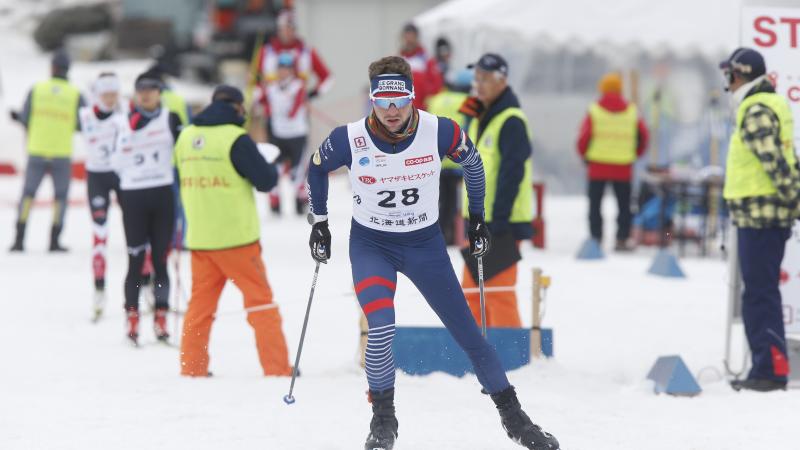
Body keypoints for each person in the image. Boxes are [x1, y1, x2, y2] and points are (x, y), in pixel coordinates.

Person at [306, 56, 559, 450]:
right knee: (381, 328)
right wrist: (319, 221)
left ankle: (516, 419)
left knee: (469, 335)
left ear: (412, 97)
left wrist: (478, 219)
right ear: (372, 99)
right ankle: (383, 421)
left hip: (424, 245)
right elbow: (317, 167)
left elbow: (474, 165)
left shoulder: (438, 131)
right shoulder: (349, 137)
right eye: (382, 101)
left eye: (400, 100)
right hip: (372, 245)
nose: (391, 111)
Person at [175, 85, 292, 377]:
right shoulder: (236, 139)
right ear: (238, 108)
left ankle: (192, 368)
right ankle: (277, 368)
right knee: (261, 305)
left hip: (201, 239)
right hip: (237, 240)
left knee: (199, 310)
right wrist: (268, 161)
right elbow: (266, 181)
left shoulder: (186, 137)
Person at [720, 48, 799, 392]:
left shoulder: (754, 110)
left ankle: (768, 370)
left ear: (740, 74)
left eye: (730, 76)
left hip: (761, 216)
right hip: (764, 215)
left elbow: (776, 166)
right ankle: (768, 366)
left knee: (759, 294)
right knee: (759, 292)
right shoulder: (767, 104)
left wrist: (794, 200)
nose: (728, 84)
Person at [458, 54, 533, 328]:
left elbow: (512, 173)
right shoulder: (482, 116)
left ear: (503, 81)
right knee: (471, 291)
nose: (479, 84)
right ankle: (478, 354)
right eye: (477, 78)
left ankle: (512, 356)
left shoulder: (511, 120)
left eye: (486, 79)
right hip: (480, 220)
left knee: (496, 292)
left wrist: (499, 222)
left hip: (501, 223)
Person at [112, 71, 182, 345]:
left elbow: (185, 150)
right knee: (136, 261)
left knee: (161, 260)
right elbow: (114, 162)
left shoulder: (170, 118)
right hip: (134, 197)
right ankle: (132, 318)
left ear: (159, 93)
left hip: (162, 194)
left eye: (151, 89)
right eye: (141, 89)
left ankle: (161, 318)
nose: (146, 94)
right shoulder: (122, 122)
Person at [9, 49, 85, 252]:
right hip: (61, 153)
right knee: (60, 197)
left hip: (37, 151)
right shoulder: (75, 94)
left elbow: (25, 118)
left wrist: (18, 118)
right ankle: (54, 241)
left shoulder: (37, 89)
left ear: (52, 68)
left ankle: (19, 240)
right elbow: (82, 124)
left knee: (28, 195)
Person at [576, 72, 648, 251]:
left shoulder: (594, 110)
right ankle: (622, 239)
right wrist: (634, 154)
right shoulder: (632, 111)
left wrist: (585, 156)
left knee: (595, 205)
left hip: (597, 167)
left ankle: (596, 238)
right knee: (624, 206)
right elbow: (644, 137)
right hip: (623, 167)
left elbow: (583, 138)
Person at [81, 72, 124, 318]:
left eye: (114, 94)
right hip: (96, 177)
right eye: (106, 94)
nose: (110, 99)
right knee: (99, 235)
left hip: (121, 176)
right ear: (97, 94)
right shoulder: (85, 115)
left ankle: (147, 285)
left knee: (136, 234)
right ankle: (99, 289)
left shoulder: (124, 115)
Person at [258, 52, 310, 215]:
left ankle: (300, 202)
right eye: (281, 68)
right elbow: (261, 101)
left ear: (292, 70)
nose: (283, 72)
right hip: (278, 134)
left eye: (286, 68)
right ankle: (275, 203)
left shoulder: (298, 86)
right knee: (276, 169)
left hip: (297, 134)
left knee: (298, 171)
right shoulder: (271, 88)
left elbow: (293, 111)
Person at [426, 69, 473, 244]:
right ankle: (452, 236)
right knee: (455, 202)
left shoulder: (436, 100)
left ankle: (441, 234)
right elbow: (471, 127)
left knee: (440, 201)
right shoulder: (468, 102)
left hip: (436, 159)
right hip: (457, 160)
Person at [258, 9, 333, 100]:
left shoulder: (307, 52)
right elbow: (253, 79)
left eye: (291, 28)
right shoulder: (266, 51)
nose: (287, 32)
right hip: (271, 108)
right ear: (278, 29)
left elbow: (328, 78)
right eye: (284, 28)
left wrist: (312, 94)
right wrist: (261, 97)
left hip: (298, 108)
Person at [399, 22, 443, 109]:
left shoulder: (426, 59)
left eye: (411, 37)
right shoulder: (399, 59)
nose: (409, 40)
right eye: (406, 37)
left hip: (421, 109)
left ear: (416, 37)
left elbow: (437, 86)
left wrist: (424, 90)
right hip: (402, 108)